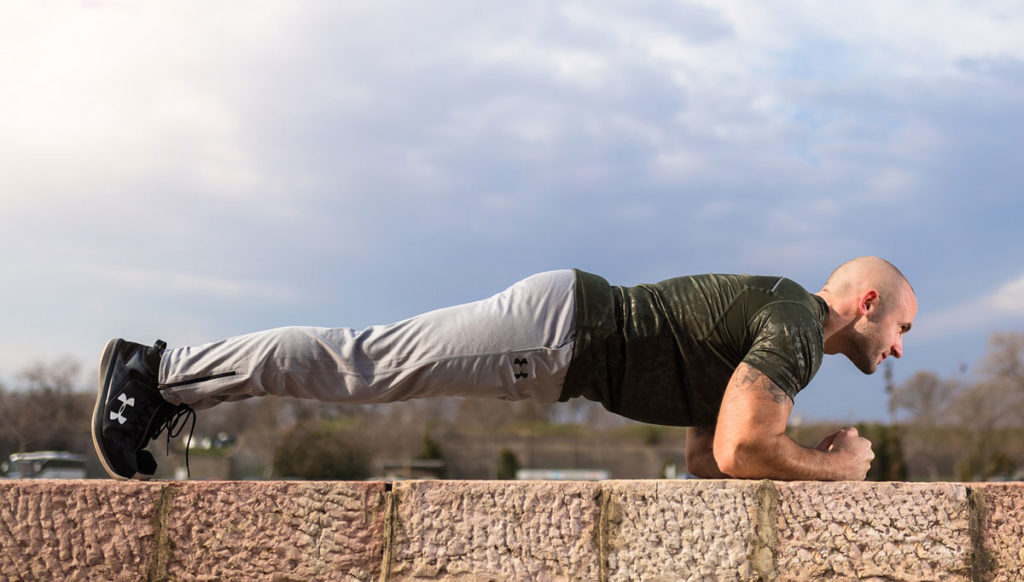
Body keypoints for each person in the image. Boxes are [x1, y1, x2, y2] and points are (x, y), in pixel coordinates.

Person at [92, 256, 916, 482]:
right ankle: (158, 372)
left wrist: (787, 451)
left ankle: (164, 375)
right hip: (561, 334)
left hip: (563, 333)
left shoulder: (778, 327)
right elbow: (743, 452)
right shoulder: (799, 327)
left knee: (365, 362)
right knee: (362, 364)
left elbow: (709, 457)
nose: (902, 348)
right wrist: (838, 468)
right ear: (868, 300)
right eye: (904, 327)